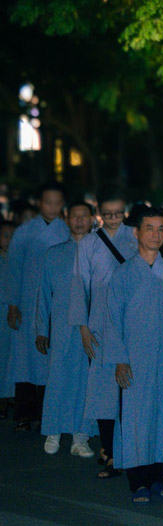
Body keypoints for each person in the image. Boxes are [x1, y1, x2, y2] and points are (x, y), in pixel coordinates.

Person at [106, 208, 163, 503]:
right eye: (149, 228)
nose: (155, 234)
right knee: (136, 416)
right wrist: (119, 358)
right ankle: (137, 481)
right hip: (134, 357)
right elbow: (112, 318)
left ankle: (158, 476)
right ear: (136, 233)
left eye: (161, 228)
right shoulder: (123, 273)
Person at [75, 192, 138, 476]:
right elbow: (79, 285)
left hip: (130, 320)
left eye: (118, 213)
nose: (113, 219)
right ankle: (110, 450)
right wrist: (83, 328)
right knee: (103, 390)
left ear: (125, 211)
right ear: (99, 212)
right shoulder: (89, 243)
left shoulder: (136, 237)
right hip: (99, 322)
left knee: (130, 387)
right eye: (108, 214)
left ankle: (131, 450)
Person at [5, 182, 69, 431]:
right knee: (25, 359)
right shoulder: (24, 232)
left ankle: (47, 412)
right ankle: (23, 413)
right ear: (39, 203)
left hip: (56, 303)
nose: (52, 207)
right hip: (27, 301)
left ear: (62, 204)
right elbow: (13, 269)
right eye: (47, 202)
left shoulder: (67, 231)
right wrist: (13, 304)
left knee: (52, 358)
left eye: (56, 202)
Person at [37, 201, 96, 457]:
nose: (80, 220)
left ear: (93, 219)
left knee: (86, 381)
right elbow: (44, 295)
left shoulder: (99, 253)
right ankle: (53, 432)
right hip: (61, 326)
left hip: (91, 328)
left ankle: (80, 437)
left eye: (85, 216)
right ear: (66, 218)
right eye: (75, 216)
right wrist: (42, 328)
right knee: (58, 377)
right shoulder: (54, 253)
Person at [0, 220, 16, 418]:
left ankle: (11, 395)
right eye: (5, 235)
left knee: (12, 356)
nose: (9, 240)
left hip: (14, 315)